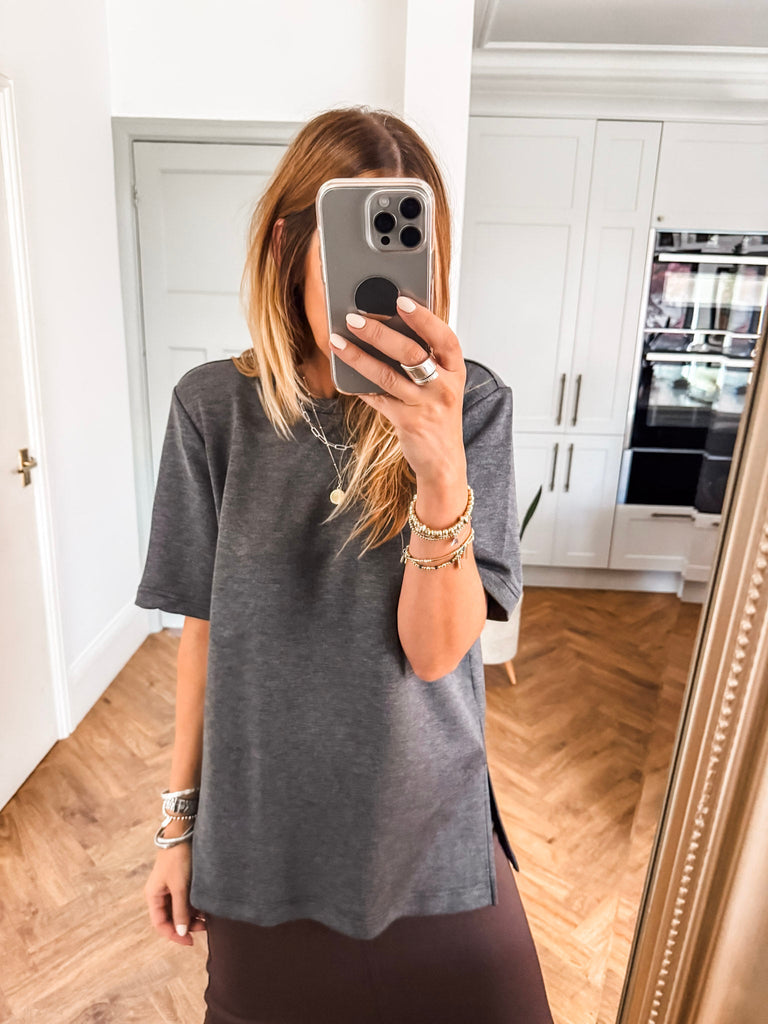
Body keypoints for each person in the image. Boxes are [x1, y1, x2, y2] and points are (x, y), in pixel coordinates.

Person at [136, 105, 555, 1024]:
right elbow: (203, 633)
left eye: (405, 247)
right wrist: (177, 825)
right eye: (348, 243)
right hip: (264, 831)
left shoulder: (471, 405)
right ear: (287, 245)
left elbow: (436, 654)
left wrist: (439, 469)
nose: (376, 284)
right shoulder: (211, 409)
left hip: (426, 824)